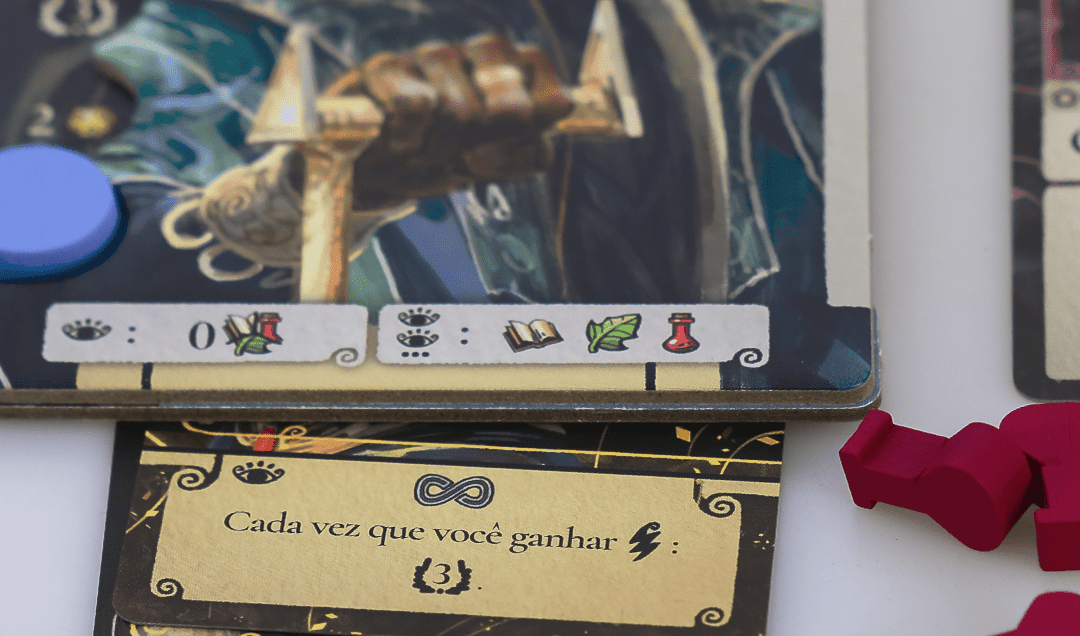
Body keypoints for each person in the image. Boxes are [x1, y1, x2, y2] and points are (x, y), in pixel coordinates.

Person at [1, 0, 869, 391]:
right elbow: (70, 306)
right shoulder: (199, 35)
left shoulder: (767, 31)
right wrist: (302, 197)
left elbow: (823, 328)